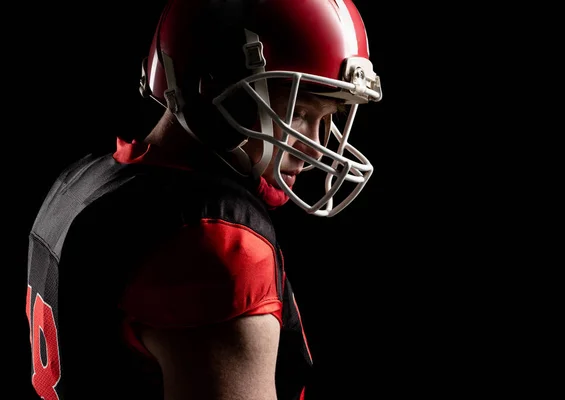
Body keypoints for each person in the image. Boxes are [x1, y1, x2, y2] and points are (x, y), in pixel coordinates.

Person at [24, 0, 382, 399]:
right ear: (213, 87)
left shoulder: (80, 181)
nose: (316, 150)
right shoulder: (216, 241)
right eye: (299, 111)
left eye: (328, 118)